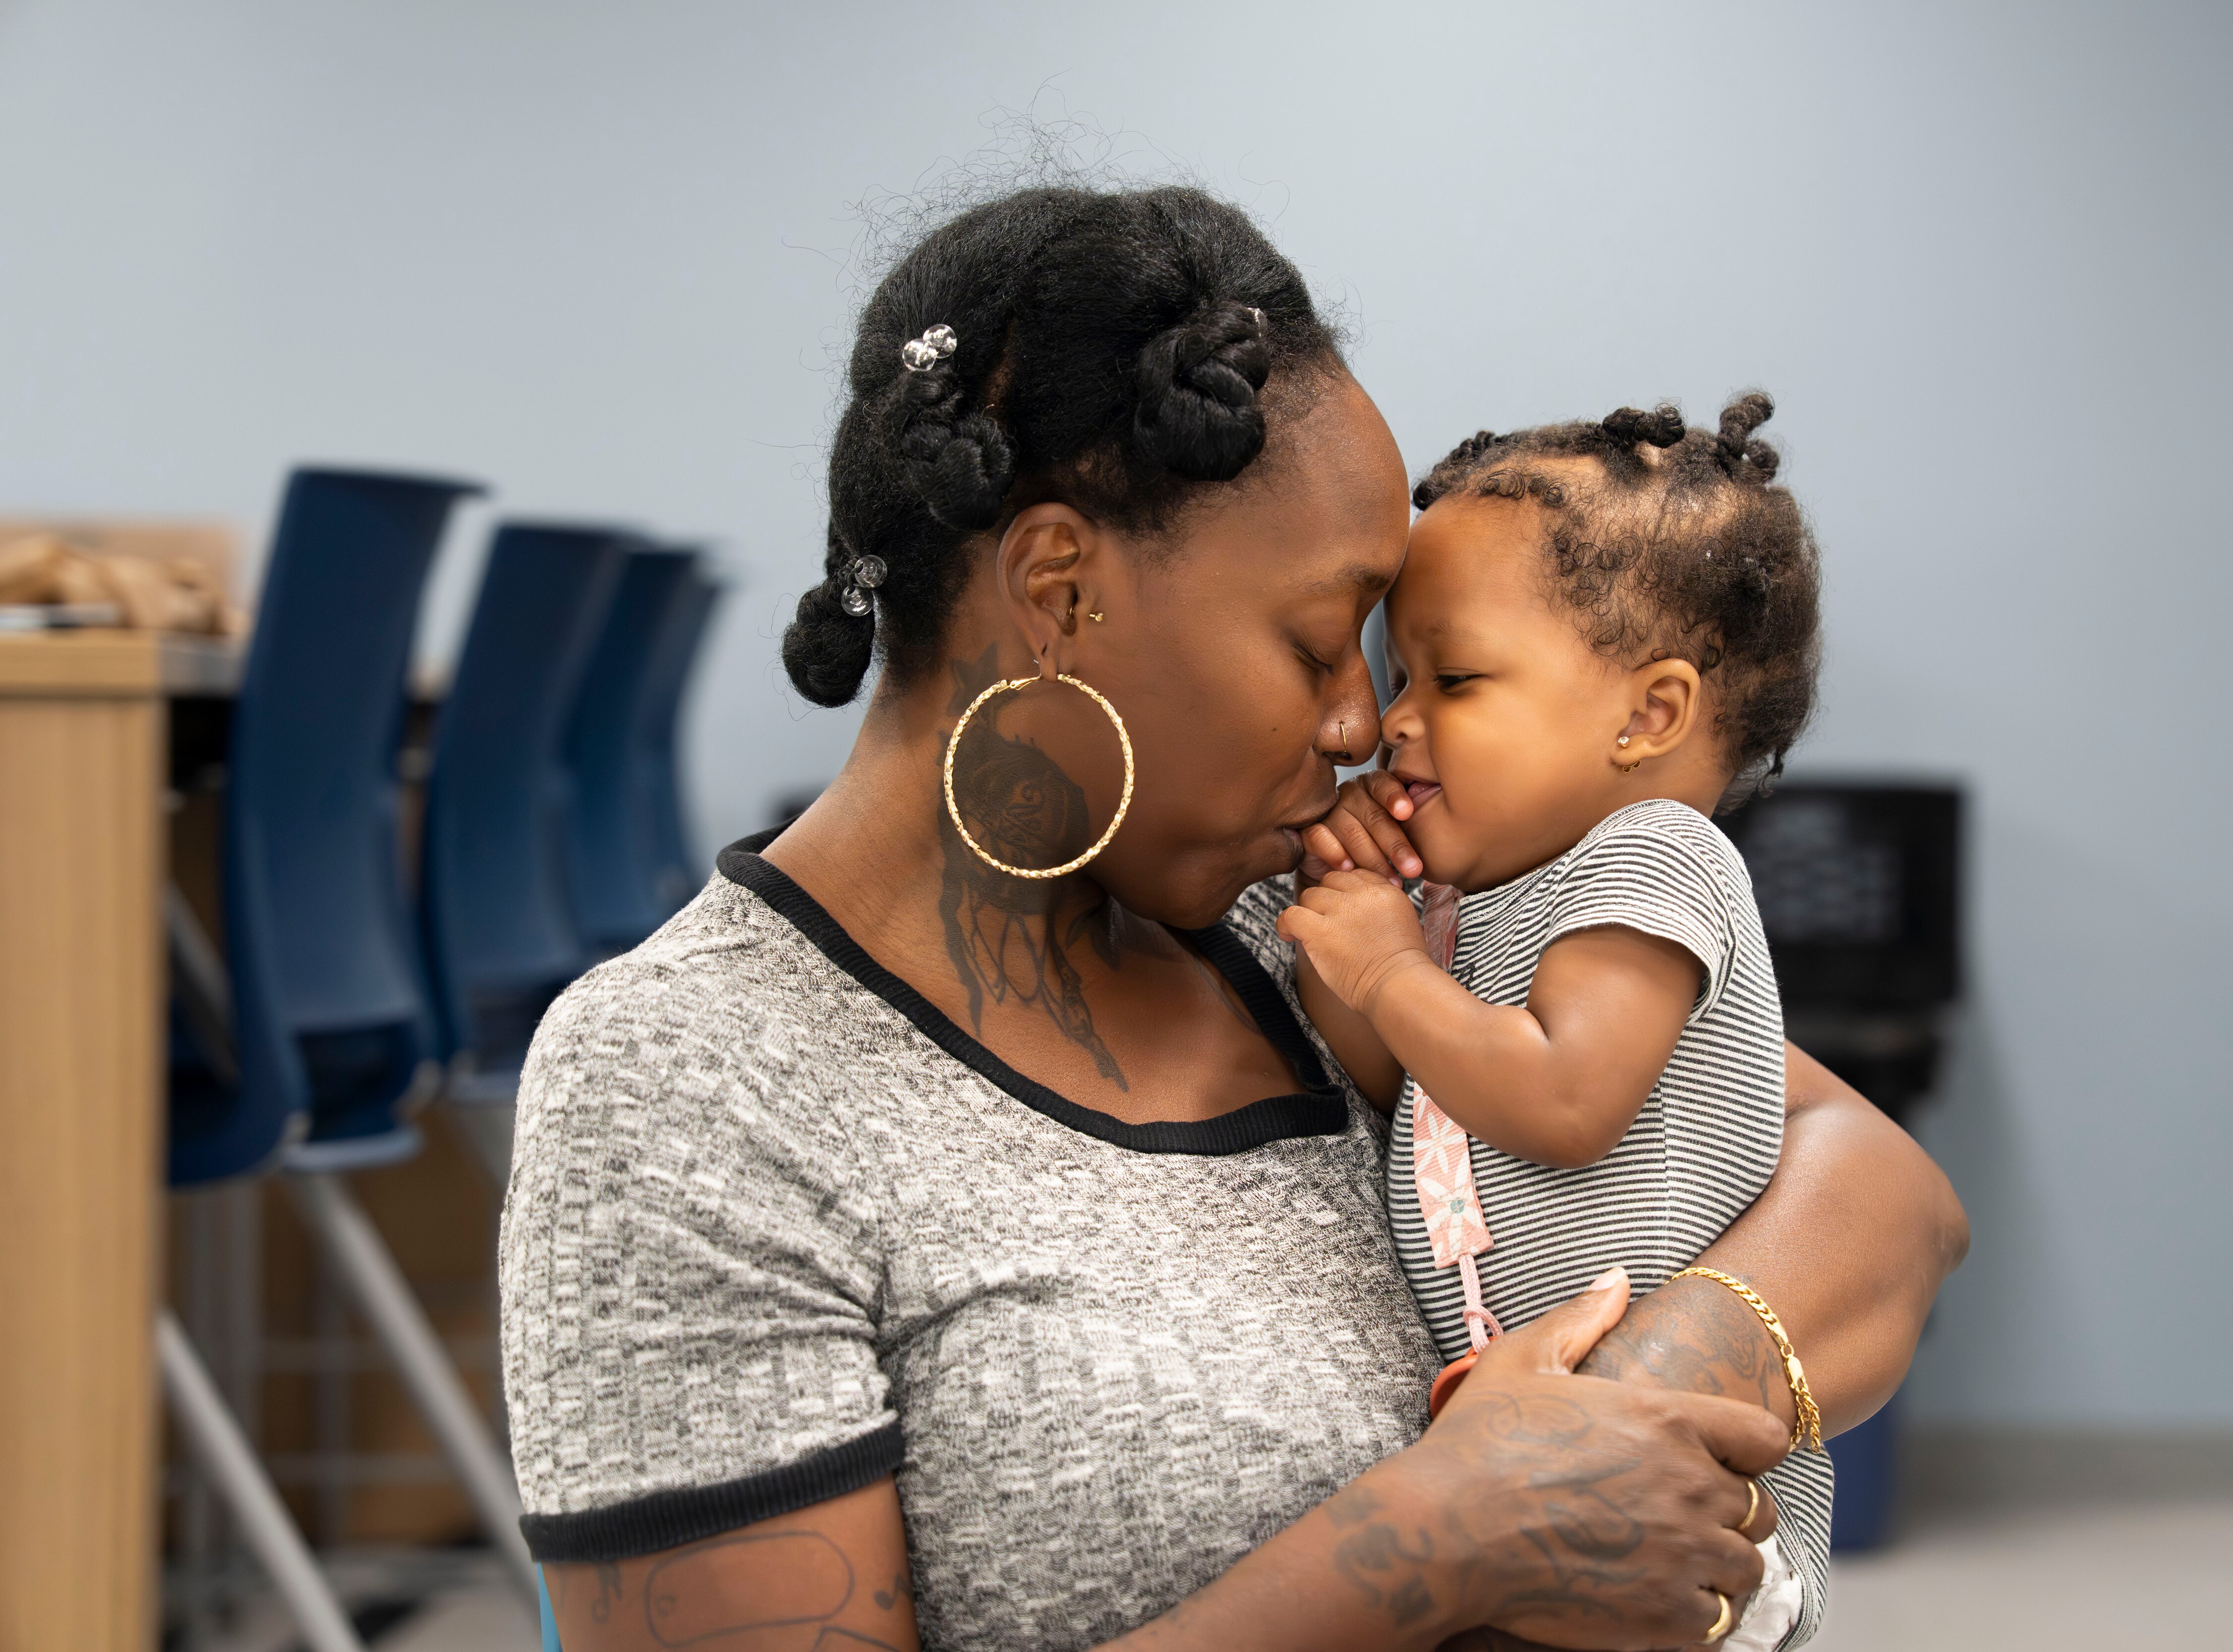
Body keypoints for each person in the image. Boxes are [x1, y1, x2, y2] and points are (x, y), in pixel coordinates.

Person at [499, 182, 1967, 1652]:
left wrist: (1643, 1391)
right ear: (1058, 589)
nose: (1360, 726)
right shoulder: (691, 1082)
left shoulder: (1310, 918)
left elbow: (1878, 1186)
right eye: (1322, 644)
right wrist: (1440, 1538)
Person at [1280, 397, 1829, 1646]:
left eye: (1453, 678)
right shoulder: (1487, 897)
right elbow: (1392, 1086)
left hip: (1689, 1504)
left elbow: (1566, 1100)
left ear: (1649, 713)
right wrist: (1354, 913)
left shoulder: (1657, 857)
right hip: (1539, 1464)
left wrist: (1385, 973)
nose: (1395, 720)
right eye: (1398, 676)